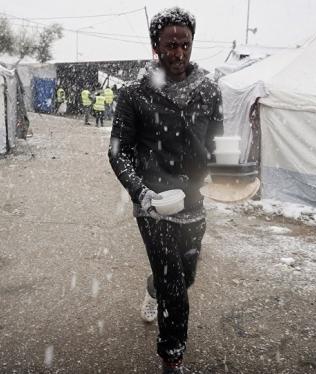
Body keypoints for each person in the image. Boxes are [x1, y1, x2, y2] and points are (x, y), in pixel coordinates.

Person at [108, 7, 223, 374]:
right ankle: (172, 357)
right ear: (155, 46)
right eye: (170, 45)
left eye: (184, 45)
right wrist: (141, 192)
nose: (178, 54)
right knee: (175, 282)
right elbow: (118, 152)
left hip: (193, 201)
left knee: (185, 276)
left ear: (192, 45)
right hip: (153, 204)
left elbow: (218, 142)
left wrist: (230, 171)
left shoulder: (208, 90)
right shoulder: (134, 94)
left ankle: (152, 287)